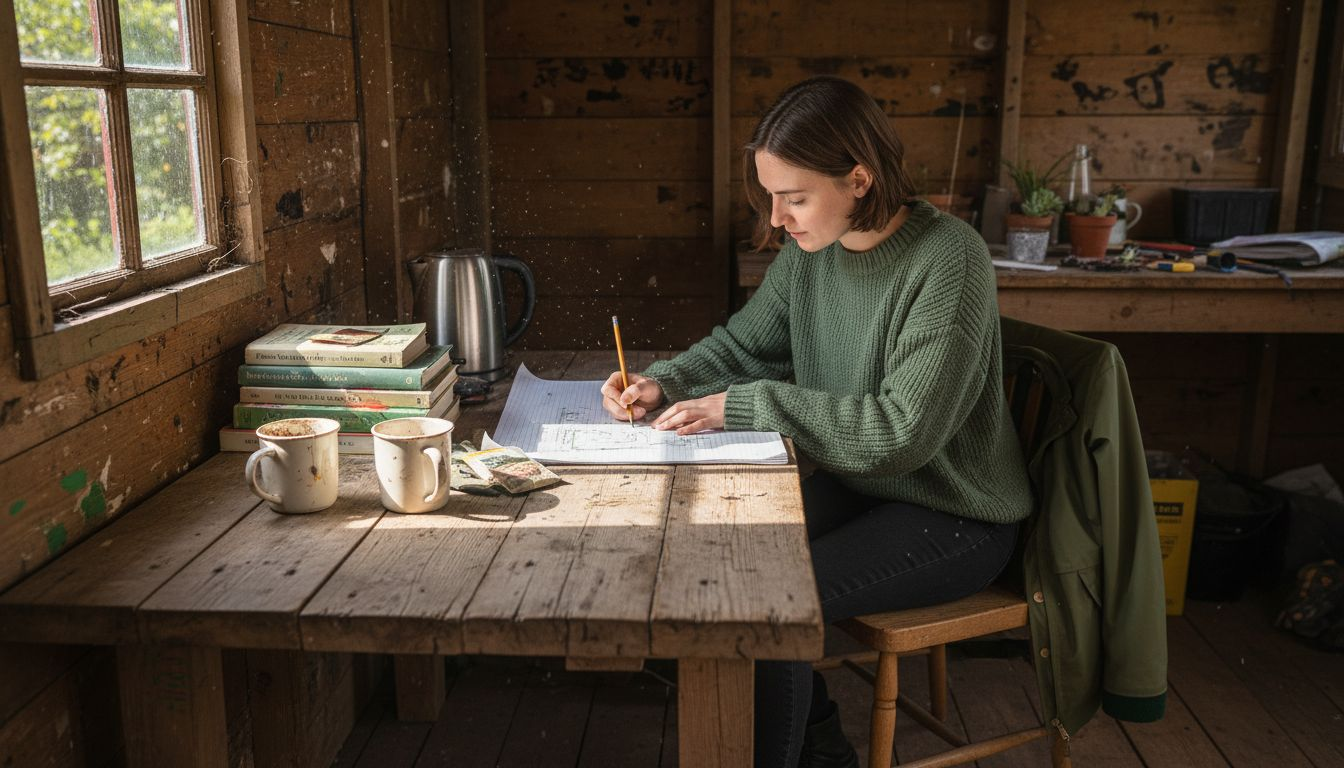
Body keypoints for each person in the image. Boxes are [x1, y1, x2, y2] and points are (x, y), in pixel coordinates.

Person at [600, 76, 1033, 768]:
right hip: (861, 487)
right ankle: (820, 743)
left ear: (858, 179)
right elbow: (745, 346)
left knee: (768, 603)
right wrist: (663, 383)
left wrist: (742, 404)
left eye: (794, 198)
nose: (776, 218)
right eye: (772, 196)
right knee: (713, 559)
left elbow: (902, 432)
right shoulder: (811, 254)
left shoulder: (949, 258)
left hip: (953, 513)